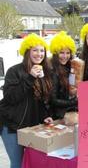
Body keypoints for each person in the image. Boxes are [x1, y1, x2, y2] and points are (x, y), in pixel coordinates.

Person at [0, 33, 53, 168]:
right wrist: (30, 78)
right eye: (34, 50)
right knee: (18, 163)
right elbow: (10, 97)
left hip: (32, 127)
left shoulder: (44, 72)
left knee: (31, 162)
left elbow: (39, 100)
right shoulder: (14, 71)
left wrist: (45, 116)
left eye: (42, 50)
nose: (39, 54)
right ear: (27, 52)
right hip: (12, 126)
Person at [49, 31, 78, 119]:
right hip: (58, 116)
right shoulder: (52, 70)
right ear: (55, 53)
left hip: (70, 113)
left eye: (68, 53)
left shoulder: (71, 67)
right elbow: (53, 100)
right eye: (61, 52)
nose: (65, 56)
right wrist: (74, 101)